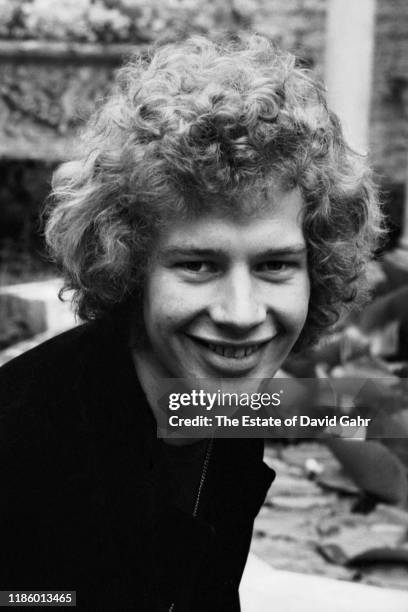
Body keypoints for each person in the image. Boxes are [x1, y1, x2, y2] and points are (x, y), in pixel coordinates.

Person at [0, 34, 382, 611]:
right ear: (130, 265)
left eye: (275, 265)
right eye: (197, 265)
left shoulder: (220, 399)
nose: (241, 315)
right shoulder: (26, 451)